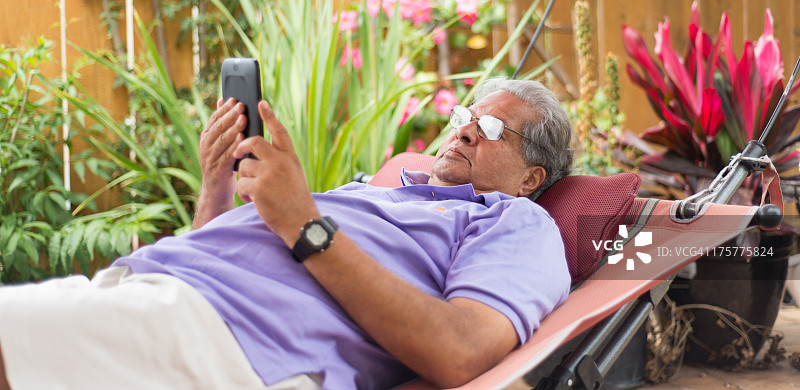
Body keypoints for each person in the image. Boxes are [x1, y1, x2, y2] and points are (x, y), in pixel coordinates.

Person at [0, 78, 574, 390]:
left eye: (492, 127)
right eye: (465, 117)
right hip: (158, 291)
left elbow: (461, 351)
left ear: (531, 178)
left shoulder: (516, 223)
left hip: (234, 340)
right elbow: (229, 252)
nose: (466, 131)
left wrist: (302, 222)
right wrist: (216, 187)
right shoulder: (374, 193)